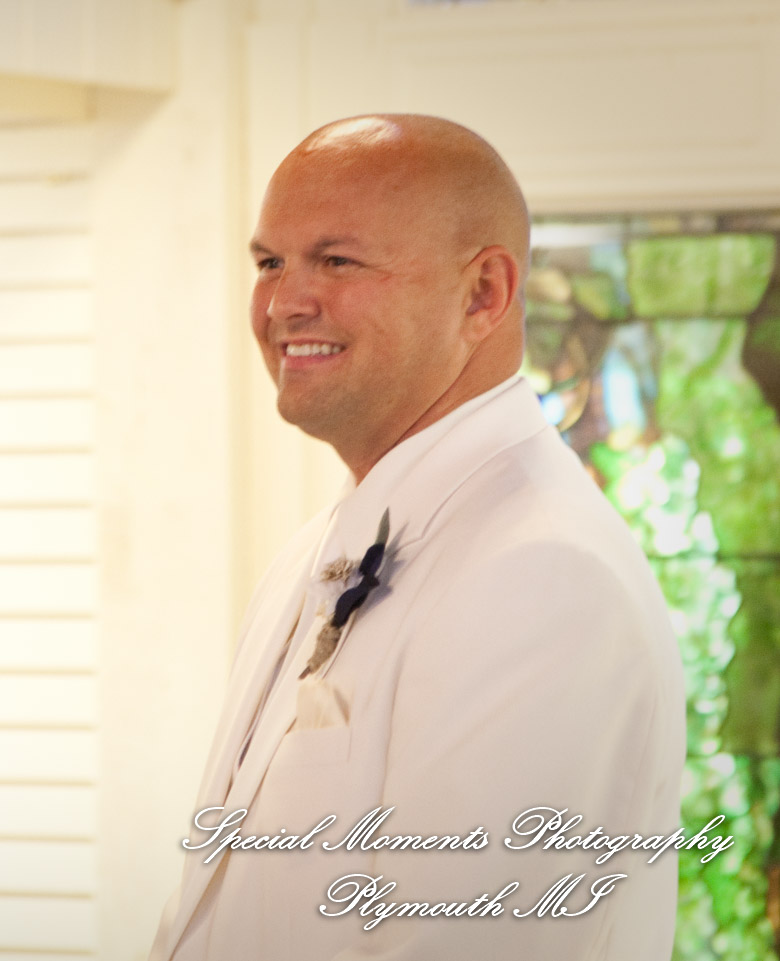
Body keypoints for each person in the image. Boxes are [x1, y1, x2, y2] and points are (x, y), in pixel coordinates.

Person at [148, 116, 686, 959]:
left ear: (483, 294)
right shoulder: (316, 549)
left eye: (337, 260)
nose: (284, 302)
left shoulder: (544, 579)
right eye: (269, 262)